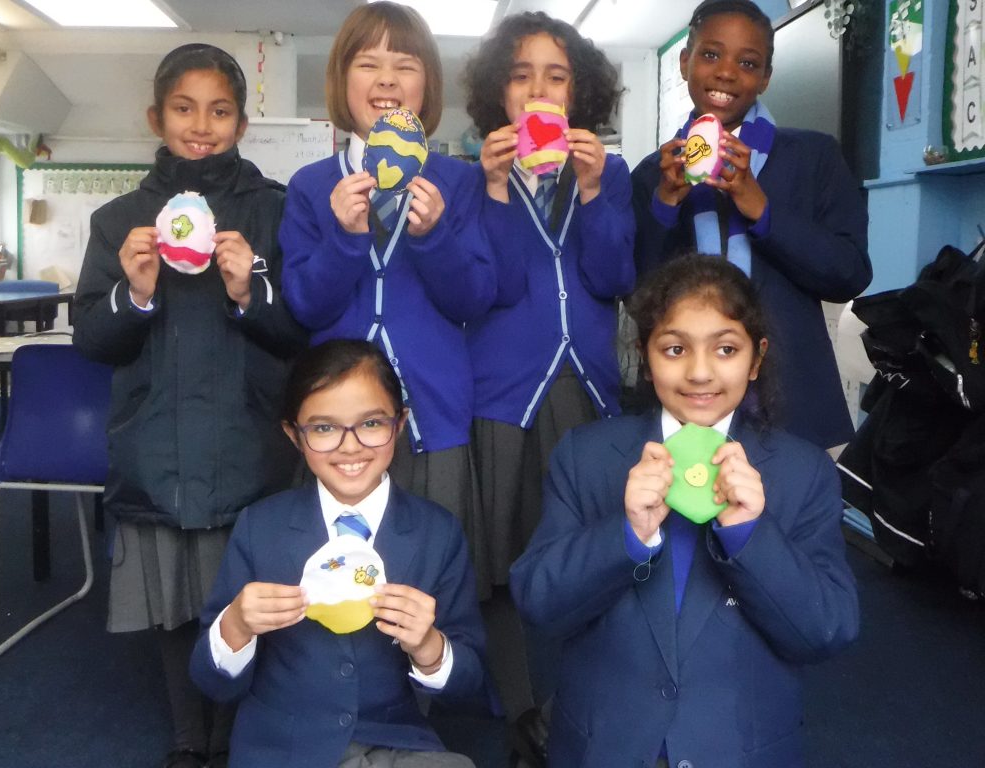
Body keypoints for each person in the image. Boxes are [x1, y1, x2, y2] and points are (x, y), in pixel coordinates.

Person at [509, 254, 860, 768]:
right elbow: (539, 604)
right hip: (605, 746)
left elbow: (827, 629)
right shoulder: (586, 456)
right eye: (674, 349)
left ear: (756, 359)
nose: (699, 372)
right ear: (645, 358)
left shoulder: (802, 473)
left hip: (739, 749)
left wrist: (751, 535)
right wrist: (625, 533)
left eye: (726, 349)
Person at [72, 44, 307, 768]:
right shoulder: (119, 222)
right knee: (172, 598)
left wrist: (249, 290)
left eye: (219, 110)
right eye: (183, 108)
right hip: (158, 441)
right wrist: (136, 293)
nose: (200, 125)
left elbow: (299, 331)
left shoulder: (274, 211)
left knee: (243, 591)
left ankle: (235, 732)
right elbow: (93, 339)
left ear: (241, 123)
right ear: (157, 116)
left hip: (246, 439)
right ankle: (185, 736)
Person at [279, 1, 495, 595]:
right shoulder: (309, 187)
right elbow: (304, 306)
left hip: (432, 416)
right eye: (368, 64)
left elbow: (474, 298)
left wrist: (436, 238)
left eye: (406, 65)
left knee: (432, 582)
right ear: (341, 80)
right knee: (337, 583)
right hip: (335, 424)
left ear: (427, 85)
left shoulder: (459, 181)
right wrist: (342, 241)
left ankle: (433, 684)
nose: (387, 80)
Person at [190, 339, 489, 767]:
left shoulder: (436, 533)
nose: (350, 447)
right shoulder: (262, 527)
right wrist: (235, 625)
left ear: (400, 424)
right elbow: (209, 681)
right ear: (294, 434)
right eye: (324, 428)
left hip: (394, 743)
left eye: (370, 424)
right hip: (283, 747)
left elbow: (469, 687)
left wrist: (430, 647)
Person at [631, 0, 871, 451]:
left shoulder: (814, 157)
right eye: (710, 54)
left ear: (765, 78)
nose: (726, 72)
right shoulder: (651, 174)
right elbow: (636, 290)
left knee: (794, 518)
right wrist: (664, 203)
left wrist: (760, 208)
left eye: (747, 62)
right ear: (685, 62)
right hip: (685, 398)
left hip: (794, 403)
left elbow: (849, 273)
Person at [463, 11, 636, 589]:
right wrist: (493, 189)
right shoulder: (475, 177)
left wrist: (590, 193)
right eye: (520, 75)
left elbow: (614, 278)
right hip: (505, 393)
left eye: (556, 76)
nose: (538, 89)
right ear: (499, 90)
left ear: (578, 91)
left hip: (586, 383)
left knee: (591, 555)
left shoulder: (607, 173)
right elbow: (495, 286)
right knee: (508, 559)